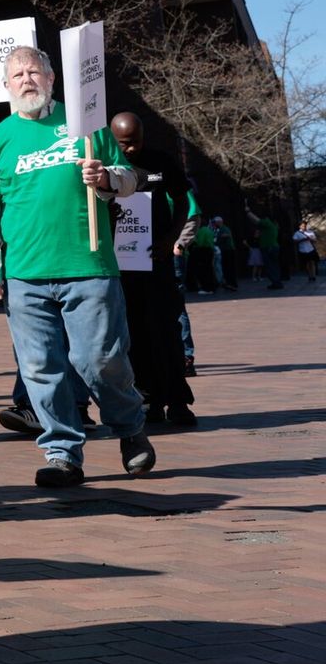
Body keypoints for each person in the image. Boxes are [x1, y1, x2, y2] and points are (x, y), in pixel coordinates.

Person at [0, 46, 154, 489]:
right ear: (6, 86)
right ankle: (62, 453)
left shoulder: (86, 125)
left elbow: (130, 179)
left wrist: (107, 178)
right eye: (17, 74)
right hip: (25, 274)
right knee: (40, 368)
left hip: (88, 265)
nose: (27, 79)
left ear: (52, 78)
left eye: (35, 71)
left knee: (100, 359)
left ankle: (129, 429)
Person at [107, 113, 195, 429]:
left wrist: (170, 238)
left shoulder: (160, 161)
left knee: (167, 330)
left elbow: (183, 200)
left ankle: (178, 401)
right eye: (123, 144)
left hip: (155, 261)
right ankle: (148, 400)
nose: (130, 150)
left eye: (135, 142)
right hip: (120, 266)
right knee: (133, 334)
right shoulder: (104, 167)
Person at [247, 206, 285, 290]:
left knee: (270, 266)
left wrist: (248, 212)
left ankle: (275, 282)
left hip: (268, 247)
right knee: (274, 265)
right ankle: (277, 282)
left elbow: (256, 220)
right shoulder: (274, 225)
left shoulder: (267, 222)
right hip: (274, 246)